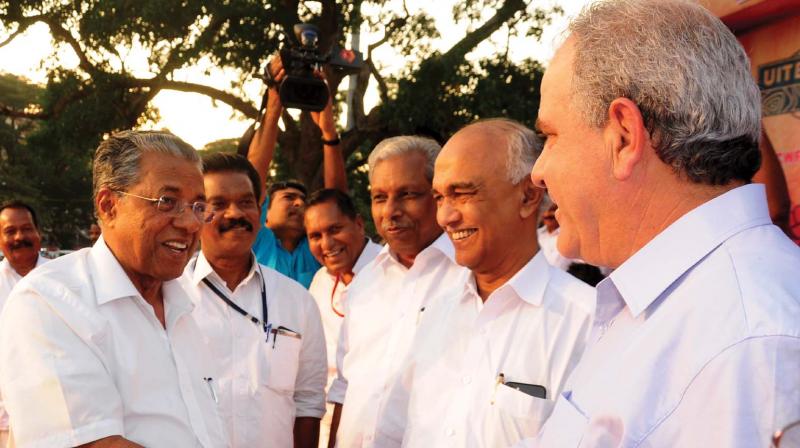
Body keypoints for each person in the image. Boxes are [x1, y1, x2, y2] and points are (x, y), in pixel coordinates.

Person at [529, 0, 800, 446]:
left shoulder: (752, 347)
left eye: (550, 137)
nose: (538, 171)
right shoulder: (687, 307)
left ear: (623, 137)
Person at [0, 131, 227, 447]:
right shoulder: (48, 302)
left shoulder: (187, 305)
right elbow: (93, 443)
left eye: (197, 206)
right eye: (168, 202)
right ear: (108, 205)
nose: (190, 223)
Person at [400, 118, 594, 447]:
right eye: (439, 198)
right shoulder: (433, 313)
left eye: (461, 194)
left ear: (528, 197)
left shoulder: (587, 324)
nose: (446, 216)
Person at [328, 136, 466, 447]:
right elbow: (345, 387)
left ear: (439, 195)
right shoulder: (364, 283)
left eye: (407, 195)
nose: (390, 211)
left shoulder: (471, 279)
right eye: (379, 197)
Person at [182, 153, 326, 447]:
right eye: (218, 204)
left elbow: (308, 402)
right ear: (196, 212)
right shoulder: (167, 297)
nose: (235, 213)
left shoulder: (298, 301)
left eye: (246, 202)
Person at [247, 55, 347, 288]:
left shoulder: (318, 248)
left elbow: (338, 203)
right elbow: (252, 177)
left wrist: (328, 130)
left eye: (302, 199)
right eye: (288, 198)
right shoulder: (257, 241)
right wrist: (274, 103)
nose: (299, 204)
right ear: (265, 215)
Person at [304, 189, 383, 448]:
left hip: (379, 425)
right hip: (325, 424)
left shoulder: (390, 272)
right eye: (315, 236)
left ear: (359, 224)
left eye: (335, 229)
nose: (326, 244)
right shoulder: (320, 282)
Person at [0, 200, 48, 446]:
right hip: (4, 423)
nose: (20, 237)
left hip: (54, 418)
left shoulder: (61, 283)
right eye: (10, 231)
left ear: (38, 233)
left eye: (27, 229)